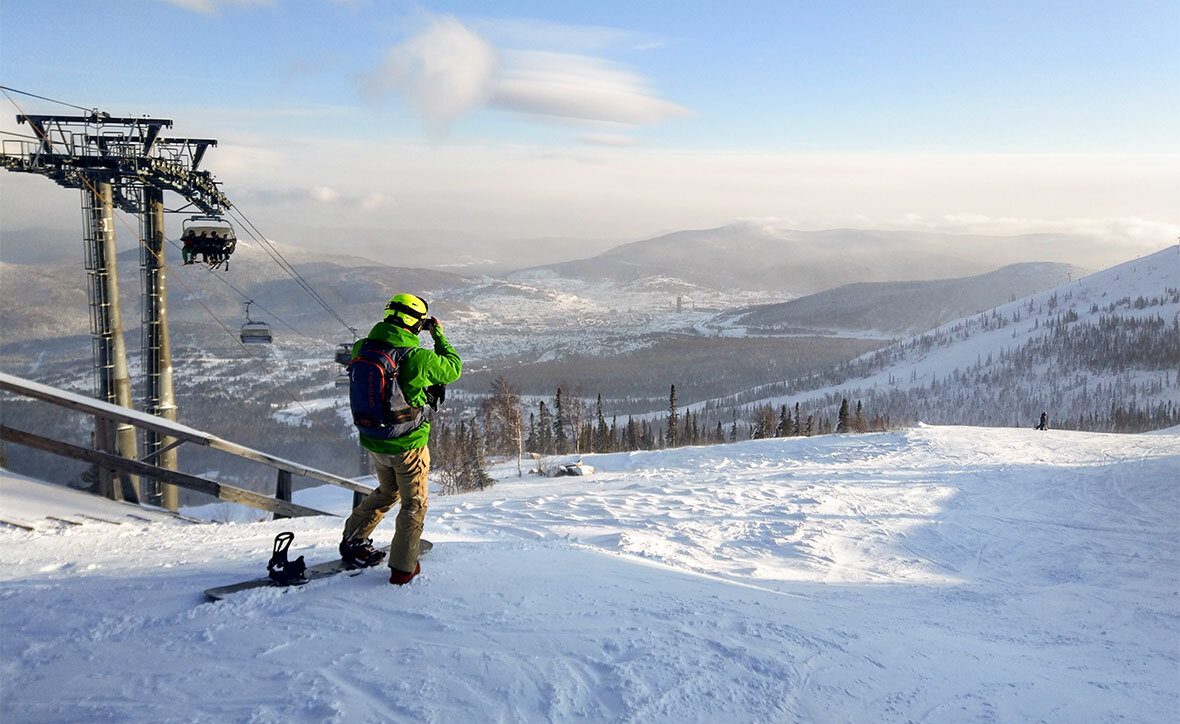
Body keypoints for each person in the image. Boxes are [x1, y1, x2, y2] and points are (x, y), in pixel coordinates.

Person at [339, 293, 461, 585]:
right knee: (414, 504)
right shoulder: (417, 357)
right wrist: (439, 336)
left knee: (387, 491)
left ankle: (353, 541)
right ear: (415, 324)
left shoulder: (362, 347)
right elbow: (453, 367)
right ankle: (403, 569)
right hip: (407, 445)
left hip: (373, 438)